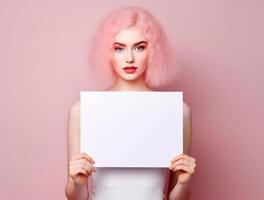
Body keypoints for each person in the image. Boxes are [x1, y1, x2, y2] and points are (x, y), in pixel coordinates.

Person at [65, 5, 196, 200]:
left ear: (154, 51)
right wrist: (77, 182)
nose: (129, 58)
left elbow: (175, 197)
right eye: (119, 48)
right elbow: (75, 196)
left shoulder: (176, 111)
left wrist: (184, 182)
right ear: (107, 53)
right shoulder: (83, 110)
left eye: (139, 47)